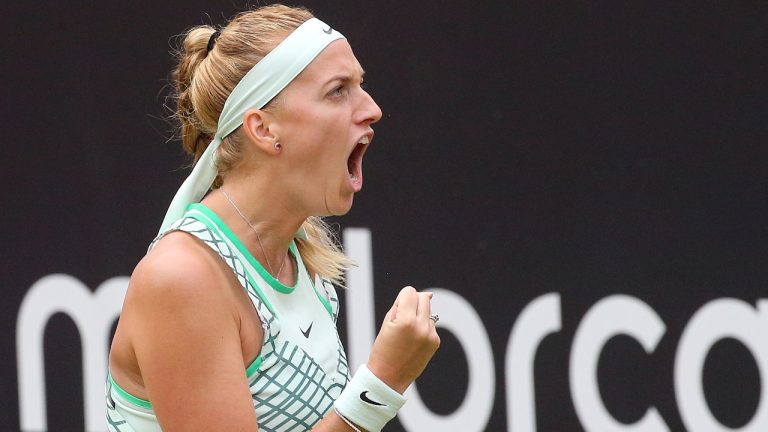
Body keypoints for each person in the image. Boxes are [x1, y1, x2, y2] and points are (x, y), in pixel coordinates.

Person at [106, 4, 440, 432]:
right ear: (264, 129)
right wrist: (382, 383)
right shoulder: (182, 278)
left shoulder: (299, 251)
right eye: (338, 90)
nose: (371, 109)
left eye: (360, 85)